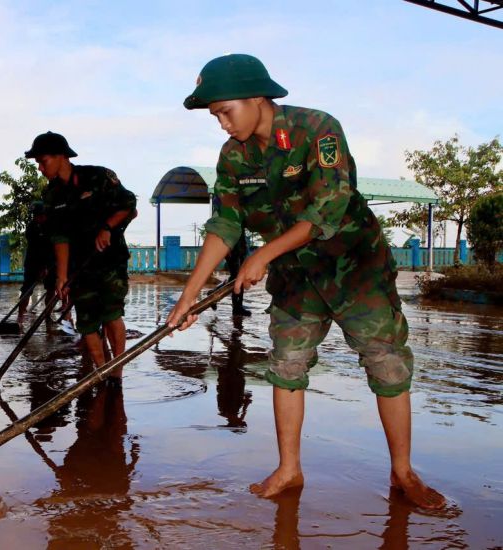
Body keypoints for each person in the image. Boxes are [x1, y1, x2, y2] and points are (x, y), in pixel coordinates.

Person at [166, 54, 445, 509]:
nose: (220, 124)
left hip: (355, 268)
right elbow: (225, 224)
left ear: (257, 97)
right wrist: (187, 298)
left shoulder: (317, 129)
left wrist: (262, 255)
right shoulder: (233, 156)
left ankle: (403, 473)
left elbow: (329, 209)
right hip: (297, 276)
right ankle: (289, 470)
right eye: (214, 115)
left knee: (386, 363)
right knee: (286, 364)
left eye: (225, 111)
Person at [26, 131, 137, 381]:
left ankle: (116, 373)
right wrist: (62, 277)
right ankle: (102, 373)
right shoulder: (52, 195)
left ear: (61, 157)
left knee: (111, 314)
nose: (41, 169)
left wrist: (107, 227)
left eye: (43, 162)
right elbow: (60, 237)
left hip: (109, 260)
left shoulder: (97, 176)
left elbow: (129, 205)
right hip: (80, 268)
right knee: (87, 322)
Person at [18, 201, 57, 322]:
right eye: (35, 215)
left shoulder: (52, 227)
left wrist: (46, 267)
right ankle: (20, 316)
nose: (37, 218)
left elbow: (52, 248)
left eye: (40, 215)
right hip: (32, 263)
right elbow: (35, 249)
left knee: (51, 289)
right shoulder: (31, 227)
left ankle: (48, 315)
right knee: (27, 289)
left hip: (50, 263)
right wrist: (40, 268)